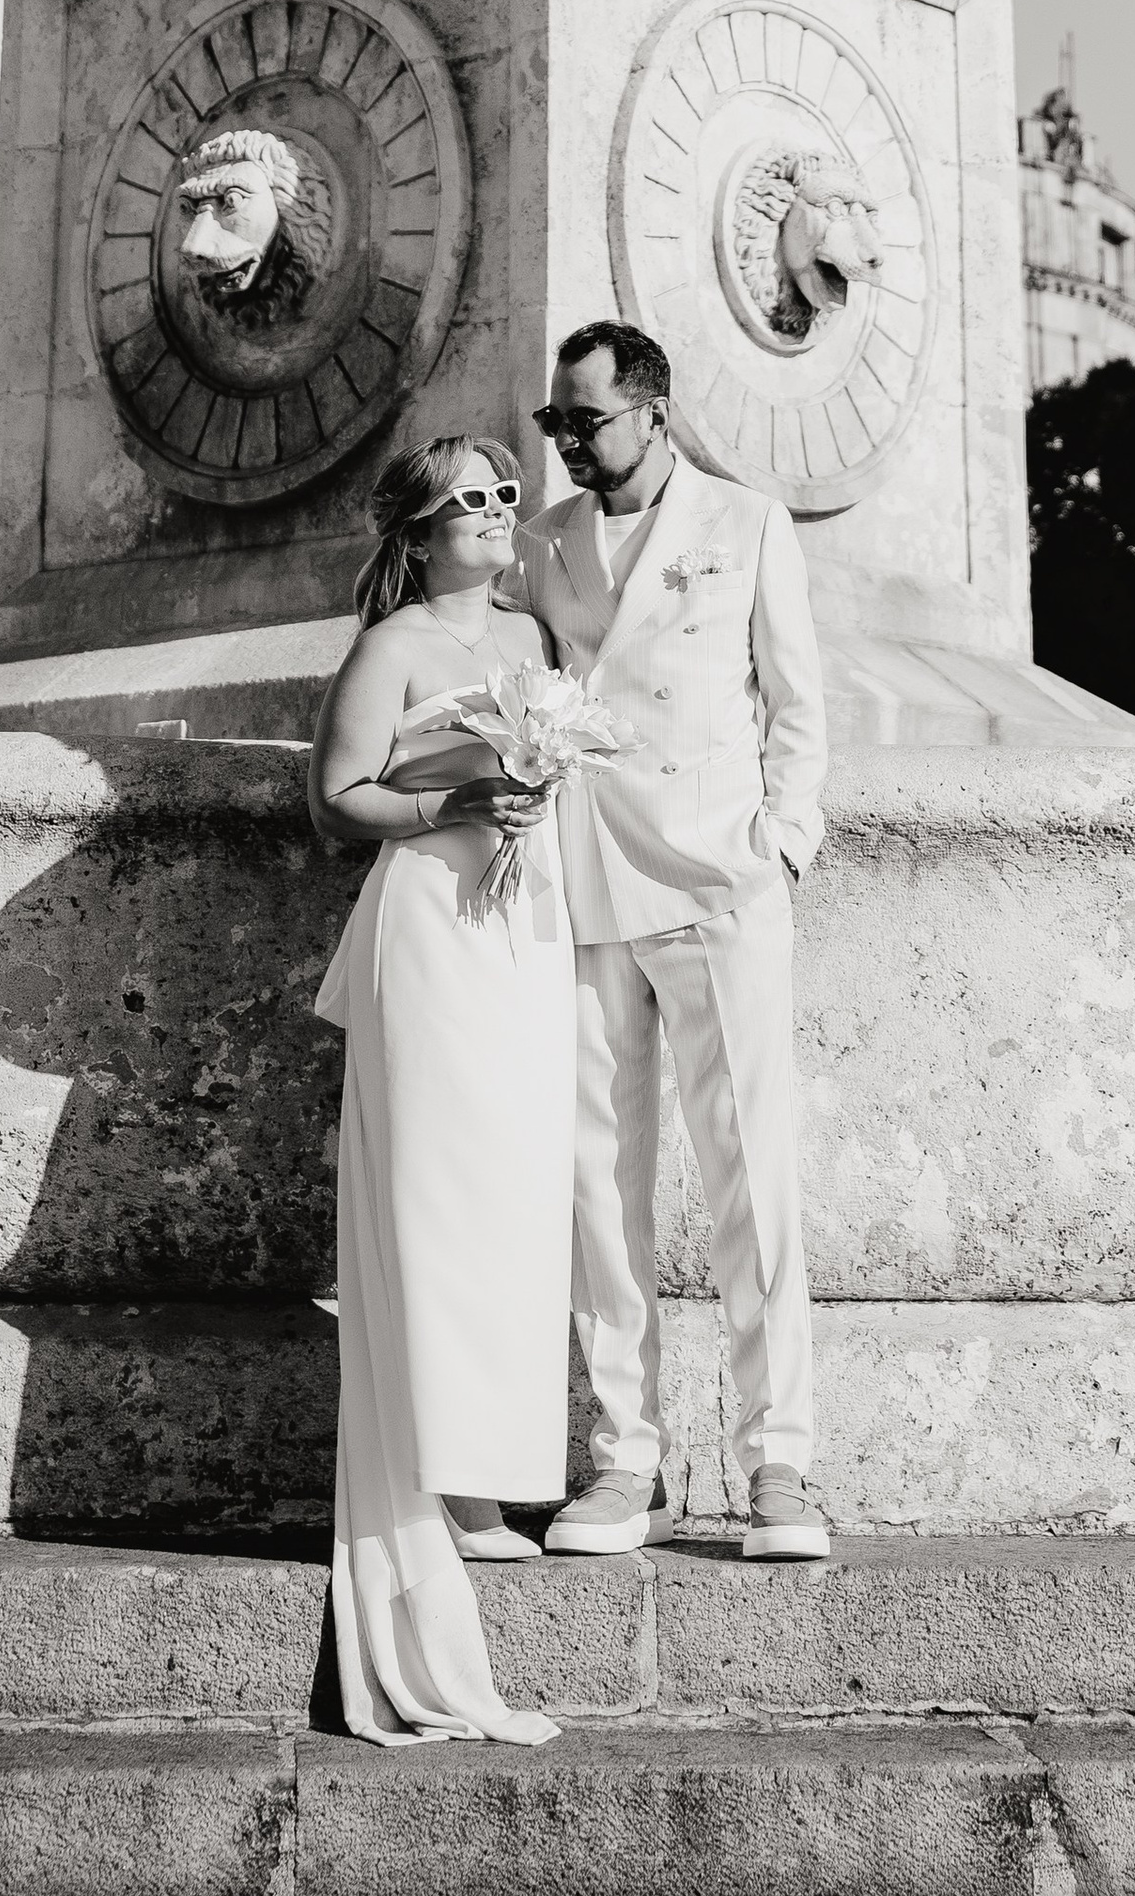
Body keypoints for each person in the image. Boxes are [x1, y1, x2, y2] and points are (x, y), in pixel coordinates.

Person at [508, 319, 832, 1564]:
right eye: (555, 424)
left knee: (752, 1174)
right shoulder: (541, 543)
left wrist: (780, 841)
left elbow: (798, 702)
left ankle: (779, 1460)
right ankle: (622, 1456)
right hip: (584, 885)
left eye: (579, 421)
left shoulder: (745, 522)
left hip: (715, 882)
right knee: (599, 1181)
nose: (566, 441)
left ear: (650, 409)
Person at [308, 434, 573, 1746]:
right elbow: (336, 793)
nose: (498, 513)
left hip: (522, 930)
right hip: (428, 924)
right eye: (472, 499)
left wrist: (533, 797)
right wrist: (455, 805)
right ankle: (439, 1481)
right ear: (419, 529)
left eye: (506, 493)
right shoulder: (396, 644)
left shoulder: (532, 638)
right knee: (435, 1198)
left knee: (516, 1201)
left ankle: (495, 1471)